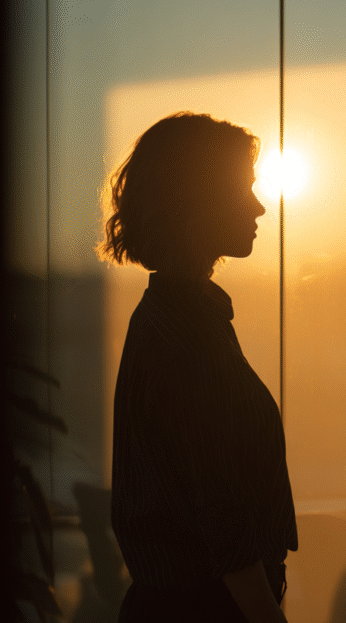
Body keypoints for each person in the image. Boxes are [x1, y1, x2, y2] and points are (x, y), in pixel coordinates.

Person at [98, 112, 297, 623]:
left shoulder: (180, 319)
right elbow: (218, 510)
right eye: (242, 190)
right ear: (196, 204)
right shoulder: (183, 336)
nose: (259, 206)